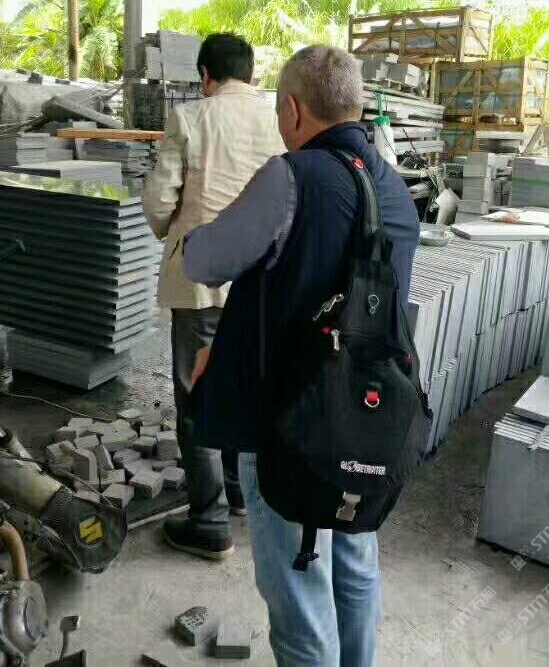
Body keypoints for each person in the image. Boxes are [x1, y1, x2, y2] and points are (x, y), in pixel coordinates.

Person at [182, 45, 420, 666]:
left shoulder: (291, 177)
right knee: (355, 562)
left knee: (298, 591)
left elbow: (205, 261)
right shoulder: (394, 190)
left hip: (288, 422)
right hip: (367, 419)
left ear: (291, 109)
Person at [142, 32, 284, 561]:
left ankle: (209, 520)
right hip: (258, 281)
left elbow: (160, 199)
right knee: (245, 385)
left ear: (205, 75)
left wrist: (168, 230)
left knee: (197, 395)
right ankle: (239, 490)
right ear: (250, 72)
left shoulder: (190, 118)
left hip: (201, 279)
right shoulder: (278, 120)